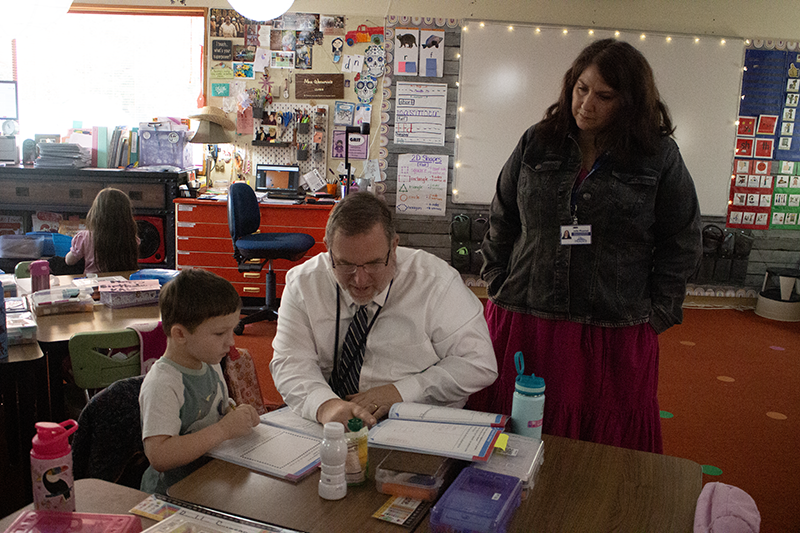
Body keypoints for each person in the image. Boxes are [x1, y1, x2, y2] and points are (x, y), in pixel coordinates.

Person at [469, 39, 702, 453]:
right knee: (511, 435)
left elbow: (681, 240)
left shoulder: (658, 156)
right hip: (525, 315)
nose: (586, 104)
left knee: (603, 453)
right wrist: (497, 281)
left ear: (630, 102)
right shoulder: (537, 142)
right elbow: (503, 218)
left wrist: (659, 313)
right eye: (581, 88)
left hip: (614, 326)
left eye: (604, 96)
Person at [270, 192, 498, 427]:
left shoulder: (436, 282)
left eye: (374, 263)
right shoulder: (303, 283)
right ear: (328, 249)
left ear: (394, 246)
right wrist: (325, 405)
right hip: (331, 420)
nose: (359, 280)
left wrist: (402, 392)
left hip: (416, 420)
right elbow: (290, 362)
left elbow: (479, 363)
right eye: (345, 264)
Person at [139, 269, 260, 493]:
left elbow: (216, 412)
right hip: (172, 494)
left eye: (232, 331)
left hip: (210, 479)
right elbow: (159, 455)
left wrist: (235, 414)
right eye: (219, 334)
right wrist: (223, 430)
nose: (231, 342)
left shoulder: (209, 362)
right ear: (180, 335)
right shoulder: (163, 384)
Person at [65, 187, 139, 274]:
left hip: (94, 283)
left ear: (96, 213)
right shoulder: (131, 238)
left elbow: (69, 261)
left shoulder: (84, 237)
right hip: (123, 282)